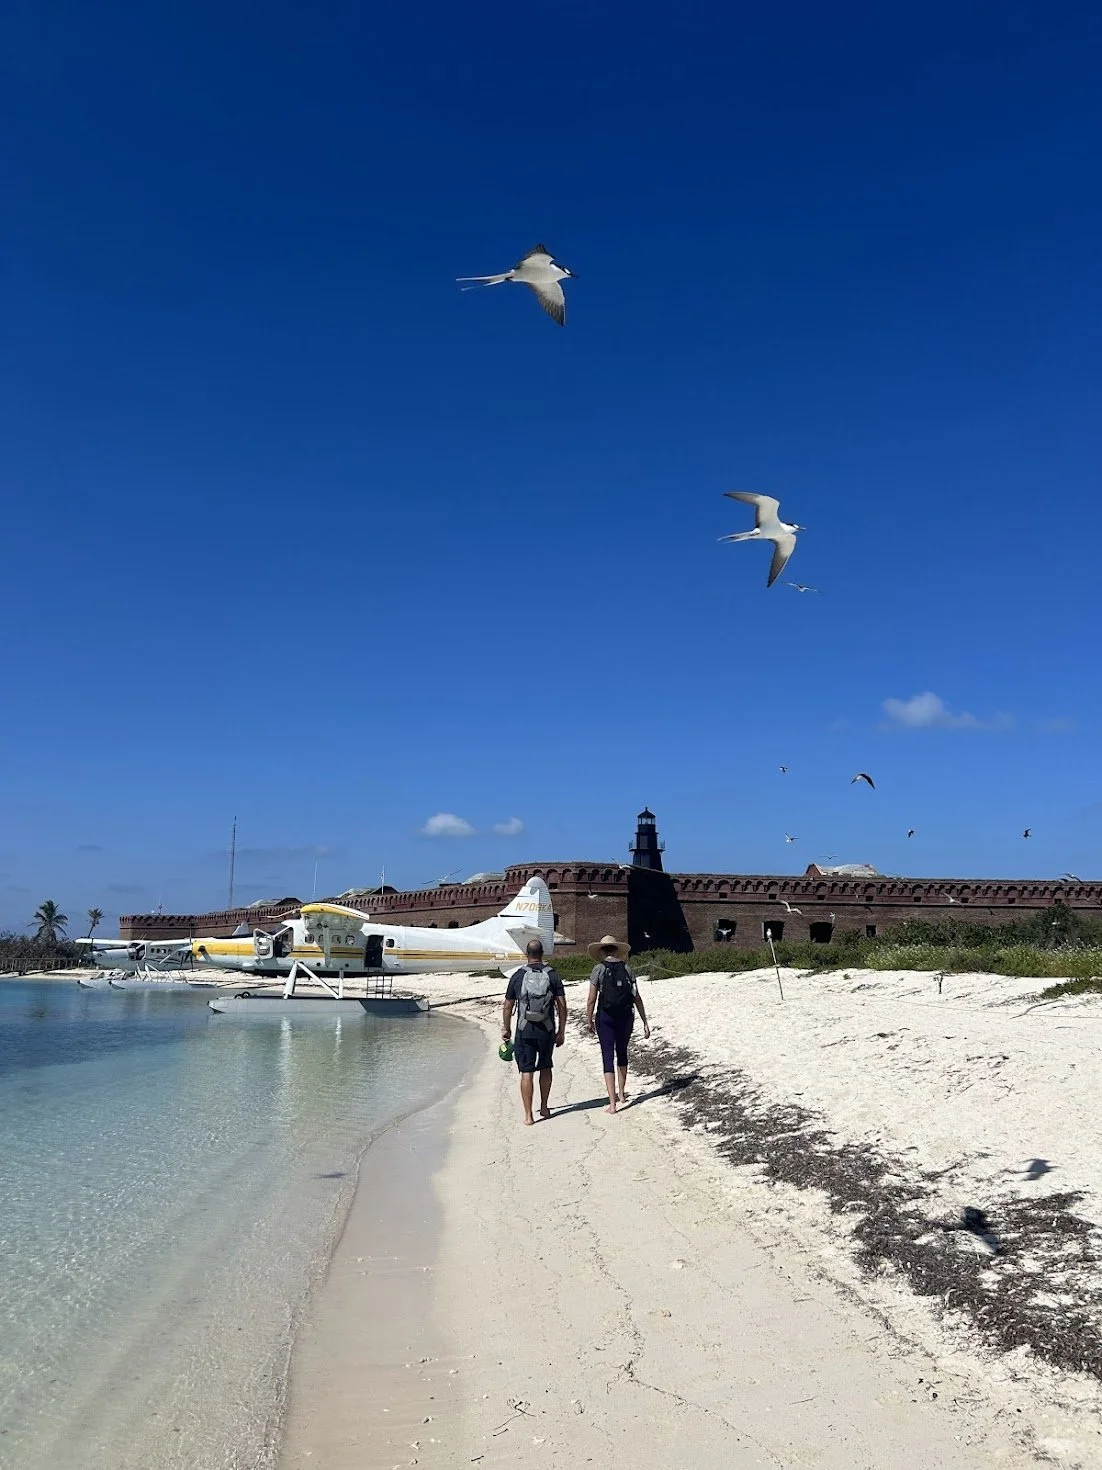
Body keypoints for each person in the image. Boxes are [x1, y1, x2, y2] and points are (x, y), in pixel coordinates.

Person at [502, 939, 567, 1126]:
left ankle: (529, 1116)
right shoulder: (552, 975)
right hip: (547, 1029)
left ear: (526, 953)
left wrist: (506, 1029)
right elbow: (562, 1006)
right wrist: (561, 1031)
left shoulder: (518, 976)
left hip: (525, 1030)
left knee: (526, 1071)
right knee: (546, 1067)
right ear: (542, 953)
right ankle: (545, 1107)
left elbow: (508, 1007)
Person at [584, 934, 649, 1114]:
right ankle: (621, 1094)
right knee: (622, 1053)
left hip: (606, 1017)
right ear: (616, 950)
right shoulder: (627, 969)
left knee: (607, 1057)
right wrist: (645, 1021)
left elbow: (591, 999)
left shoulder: (598, 969)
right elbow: (636, 996)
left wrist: (588, 1019)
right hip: (626, 1016)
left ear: (602, 951)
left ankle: (612, 1104)